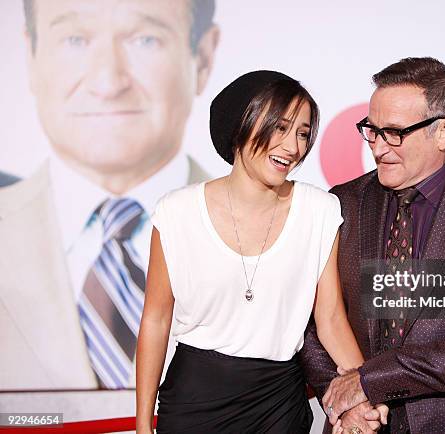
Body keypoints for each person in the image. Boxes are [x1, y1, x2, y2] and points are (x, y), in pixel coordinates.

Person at [136, 70, 389, 434]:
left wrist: (363, 392)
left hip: (278, 404)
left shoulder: (319, 210)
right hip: (194, 400)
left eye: (303, 134)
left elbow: (330, 318)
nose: (293, 147)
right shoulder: (177, 213)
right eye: (281, 128)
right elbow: (155, 320)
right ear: (244, 123)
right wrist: (143, 424)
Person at [299, 57, 445, 434]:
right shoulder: (342, 202)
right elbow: (313, 321)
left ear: (444, 131)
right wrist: (341, 397)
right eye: (371, 130)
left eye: (394, 132)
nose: (378, 148)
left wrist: (367, 382)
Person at [0, 0, 218, 390]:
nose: (107, 81)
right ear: (30, 56)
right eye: (74, 39)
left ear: (202, 58)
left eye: (145, 39)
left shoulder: (273, 231)